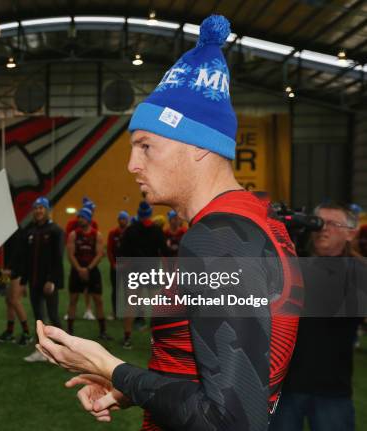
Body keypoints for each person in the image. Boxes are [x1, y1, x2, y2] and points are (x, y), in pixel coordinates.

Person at [35, 15, 302, 431]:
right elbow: (220, 381)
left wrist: (110, 366)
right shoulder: (259, 220)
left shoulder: (219, 238)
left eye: (146, 146)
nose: (131, 164)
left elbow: (230, 420)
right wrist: (131, 388)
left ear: (198, 146)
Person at [270, 202, 361, 431]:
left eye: (332, 223)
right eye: (318, 223)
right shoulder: (291, 264)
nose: (323, 229)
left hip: (332, 389)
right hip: (285, 386)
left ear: (350, 233)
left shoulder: (357, 273)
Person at [118, 201, 168, 349]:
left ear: (138, 213)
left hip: (134, 270)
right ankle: (158, 341)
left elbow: (122, 254)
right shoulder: (157, 231)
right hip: (151, 270)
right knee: (156, 307)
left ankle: (127, 338)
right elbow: (164, 252)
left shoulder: (130, 230)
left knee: (131, 305)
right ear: (150, 214)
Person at [22, 197, 64, 362]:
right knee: (39, 318)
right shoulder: (30, 232)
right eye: (36, 207)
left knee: (53, 316)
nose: (38, 210)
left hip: (48, 282)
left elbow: (58, 258)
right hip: (34, 282)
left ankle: (64, 350)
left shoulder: (55, 231)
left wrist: (51, 280)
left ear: (47, 210)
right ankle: (42, 351)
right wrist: (25, 281)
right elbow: (27, 259)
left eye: (41, 207)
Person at [67, 207, 111, 340]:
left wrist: (88, 269)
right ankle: (69, 331)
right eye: (79, 217)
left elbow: (99, 254)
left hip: (92, 270)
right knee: (73, 299)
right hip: (77, 270)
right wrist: (79, 269)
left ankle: (103, 331)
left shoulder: (96, 235)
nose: (80, 219)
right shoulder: (73, 234)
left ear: (89, 219)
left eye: (83, 217)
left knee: (98, 300)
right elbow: (70, 254)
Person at [0, 228, 33, 346]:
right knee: (9, 301)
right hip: (11, 270)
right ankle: (9, 332)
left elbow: (20, 254)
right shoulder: (8, 231)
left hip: (17, 271)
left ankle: (27, 334)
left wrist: (12, 270)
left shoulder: (18, 233)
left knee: (14, 300)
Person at [65, 197, 99, 320]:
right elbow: (68, 240)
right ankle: (71, 312)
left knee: (89, 289)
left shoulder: (93, 225)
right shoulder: (72, 225)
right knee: (73, 290)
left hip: (89, 262)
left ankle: (88, 309)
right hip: (76, 260)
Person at [106, 211, 130, 320]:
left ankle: (126, 312)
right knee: (115, 290)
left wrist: (127, 265)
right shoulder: (113, 233)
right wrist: (113, 264)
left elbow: (132, 251)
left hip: (127, 267)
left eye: (124, 219)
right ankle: (115, 312)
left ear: (127, 220)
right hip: (115, 267)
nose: (122, 221)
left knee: (127, 290)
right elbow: (110, 250)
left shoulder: (130, 233)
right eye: (120, 219)